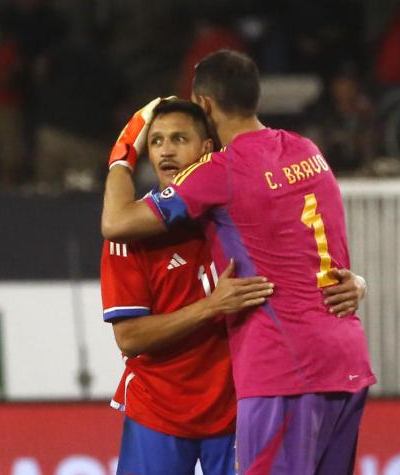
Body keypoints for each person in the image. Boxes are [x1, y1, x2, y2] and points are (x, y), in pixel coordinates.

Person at [102, 50, 375, 474]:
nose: (167, 152)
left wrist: (123, 153)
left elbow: (116, 221)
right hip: (345, 363)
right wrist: (355, 282)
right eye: (157, 141)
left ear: (206, 110)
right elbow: (309, 242)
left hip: (281, 373)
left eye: (180, 138)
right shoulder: (307, 151)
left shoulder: (219, 172)